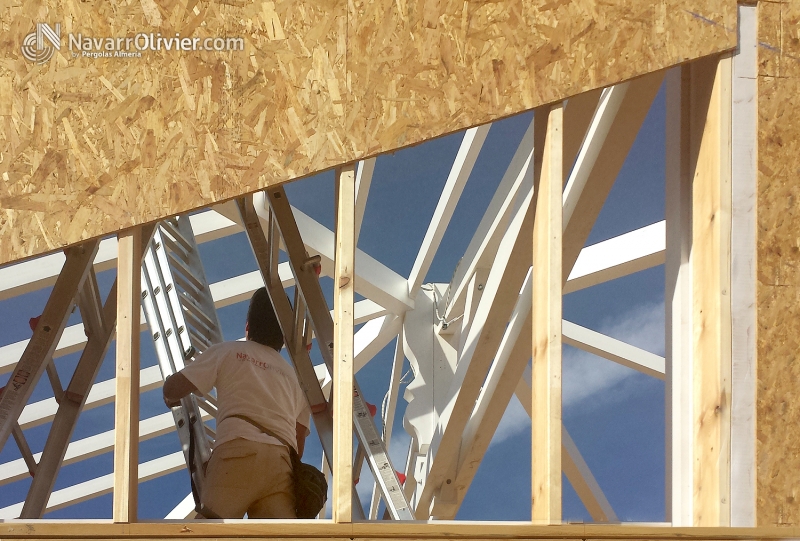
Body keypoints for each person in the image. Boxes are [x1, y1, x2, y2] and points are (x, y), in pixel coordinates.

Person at [163, 287, 311, 519]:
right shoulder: (295, 380)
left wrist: (168, 393)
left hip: (237, 453)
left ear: (247, 326)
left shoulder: (228, 351)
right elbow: (299, 442)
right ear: (283, 336)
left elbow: (174, 389)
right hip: (281, 465)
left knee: (210, 533)